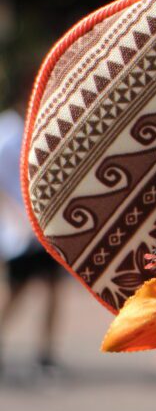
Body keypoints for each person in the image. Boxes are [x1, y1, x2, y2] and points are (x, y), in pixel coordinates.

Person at [0, 98, 64, 374]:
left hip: (43, 228)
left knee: (52, 289)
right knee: (16, 291)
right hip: (19, 231)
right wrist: (15, 215)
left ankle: (45, 353)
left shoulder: (39, 128)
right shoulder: (7, 132)